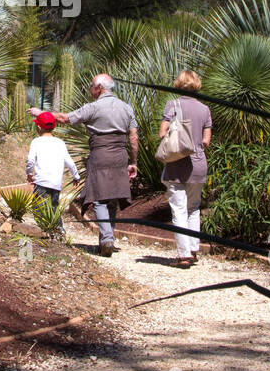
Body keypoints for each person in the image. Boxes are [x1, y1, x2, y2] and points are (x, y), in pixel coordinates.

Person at [33, 73, 137, 257]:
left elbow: (65, 118)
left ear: (99, 87)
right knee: (112, 197)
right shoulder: (126, 108)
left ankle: (106, 240)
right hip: (120, 155)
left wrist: (42, 114)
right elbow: (134, 136)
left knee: (98, 196)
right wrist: (133, 162)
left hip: (101, 154)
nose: (90, 89)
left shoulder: (94, 108)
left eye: (91, 86)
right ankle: (108, 237)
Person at [159, 70, 212, 268]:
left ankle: (184, 255)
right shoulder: (205, 109)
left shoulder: (173, 105)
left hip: (176, 165)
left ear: (179, 84)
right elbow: (206, 141)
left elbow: (162, 133)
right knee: (194, 208)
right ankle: (193, 248)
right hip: (198, 164)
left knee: (178, 209)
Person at [25, 111, 80, 237]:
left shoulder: (36, 142)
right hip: (56, 183)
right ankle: (59, 230)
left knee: (38, 208)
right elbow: (69, 162)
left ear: (38, 127)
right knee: (54, 207)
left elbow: (30, 160)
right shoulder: (60, 143)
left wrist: (29, 173)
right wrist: (76, 176)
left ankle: (44, 233)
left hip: (41, 182)